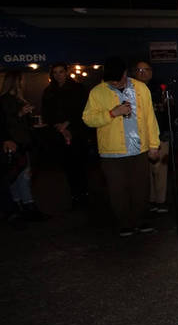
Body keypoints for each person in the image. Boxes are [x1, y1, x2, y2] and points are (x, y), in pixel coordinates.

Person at [82, 57, 161, 236]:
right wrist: (112, 113)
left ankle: (141, 220)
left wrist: (154, 144)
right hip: (112, 152)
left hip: (139, 149)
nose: (116, 83)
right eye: (112, 81)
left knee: (141, 188)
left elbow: (150, 118)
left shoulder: (141, 88)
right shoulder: (97, 92)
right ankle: (124, 223)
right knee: (117, 190)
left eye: (119, 79)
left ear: (126, 73)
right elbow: (88, 119)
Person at [41, 62, 91, 205]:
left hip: (77, 131)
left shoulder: (78, 88)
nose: (58, 75)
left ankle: (84, 193)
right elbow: (46, 113)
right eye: (55, 72)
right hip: (58, 133)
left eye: (61, 72)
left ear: (66, 72)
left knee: (79, 163)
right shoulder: (48, 91)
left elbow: (83, 109)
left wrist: (68, 123)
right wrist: (58, 126)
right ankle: (74, 194)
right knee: (67, 165)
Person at [1, 71, 48, 221]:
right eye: (20, 81)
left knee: (18, 175)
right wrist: (21, 113)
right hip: (15, 143)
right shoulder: (5, 100)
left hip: (22, 142)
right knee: (21, 175)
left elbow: (22, 123)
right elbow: (5, 123)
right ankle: (27, 206)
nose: (23, 84)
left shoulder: (18, 99)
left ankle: (21, 206)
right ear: (15, 82)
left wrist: (34, 124)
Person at [131, 61, 170, 214]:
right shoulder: (129, 89)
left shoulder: (160, 88)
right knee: (144, 171)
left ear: (151, 72)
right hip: (138, 137)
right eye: (139, 70)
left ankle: (160, 200)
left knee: (160, 169)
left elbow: (169, 110)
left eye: (145, 70)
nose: (142, 73)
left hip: (160, 134)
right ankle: (149, 200)